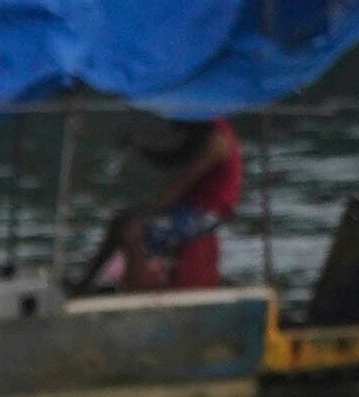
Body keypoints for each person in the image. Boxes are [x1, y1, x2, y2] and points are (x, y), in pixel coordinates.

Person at [86, 117, 248, 295]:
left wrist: (152, 212)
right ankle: (86, 283)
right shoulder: (202, 135)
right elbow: (172, 159)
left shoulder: (216, 141)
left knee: (132, 229)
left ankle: (135, 292)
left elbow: (183, 182)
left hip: (205, 215)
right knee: (121, 220)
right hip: (190, 209)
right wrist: (140, 148)